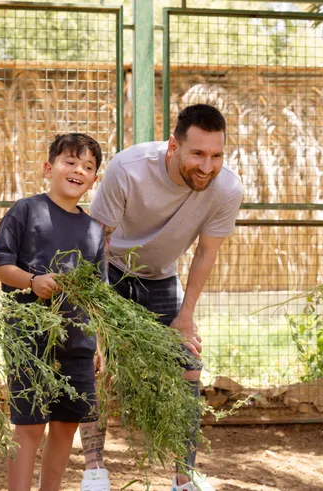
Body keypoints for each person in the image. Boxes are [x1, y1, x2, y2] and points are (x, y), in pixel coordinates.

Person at [82, 103, 243, 491]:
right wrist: (98, 315)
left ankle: (183, 478)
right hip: (111, 270)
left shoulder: (227, 189)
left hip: (160, 278)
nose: (207, 166)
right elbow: (95, 243)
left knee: (188, 362)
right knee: (95, 365)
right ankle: (94, 470)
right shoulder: (128, 168)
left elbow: (206, 254)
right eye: (198, 154)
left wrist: (186, 317)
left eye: (217, 155)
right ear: (173, 146)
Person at [0, 133, 106, 491]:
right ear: (48, 168)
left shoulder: (93, 230)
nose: (78, 170)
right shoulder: (26, 210)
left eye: (87, 166)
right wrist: (32, 281)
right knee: (29, 426)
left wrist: (98, 342)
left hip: (78, 343)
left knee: (66, 425)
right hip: (30, 339)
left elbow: (96, 297)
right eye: (70, 162)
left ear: (94, 179)